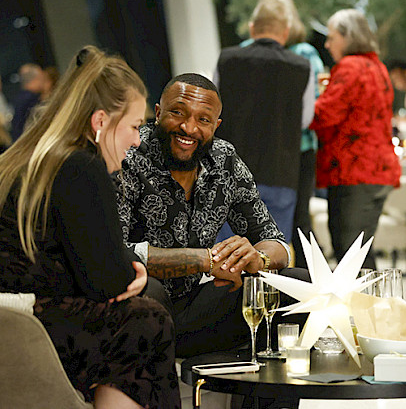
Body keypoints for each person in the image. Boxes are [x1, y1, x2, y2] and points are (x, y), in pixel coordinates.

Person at [0, 46, 180, 408]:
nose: (137, 140)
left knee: (141, 314)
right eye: (134, 125)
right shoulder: (80, 165)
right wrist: (138, 271)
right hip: (29, 329)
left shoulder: (35, 157)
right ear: (100, 121)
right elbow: (108, 282)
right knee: (148, 320)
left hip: (16, 323)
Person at [116, 72, 307, 359]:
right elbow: (116, 253)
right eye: (178, 113)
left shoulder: (223, 159)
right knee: (148, 290)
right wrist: (206, 260)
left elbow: (274, 240)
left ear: (216, 125)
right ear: (157, 113)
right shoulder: (129, 155)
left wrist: (257, 259)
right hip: (140, 311)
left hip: (195, 310)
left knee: (298, 284)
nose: (189, 128)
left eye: (203, 120)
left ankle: (261, 397)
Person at [214, 0, 315, 244]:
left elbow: (213, 111)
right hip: (279, 171)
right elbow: (305, 119)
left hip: (229, 172)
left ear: (251, 28)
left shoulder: (227, 59)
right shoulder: (302, 66)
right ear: (286, 30)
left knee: (226, 257)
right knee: (271, 255)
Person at [239, 0, 325, 267]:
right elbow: (311, 109)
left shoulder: (241, 54)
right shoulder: (304, 56)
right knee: (287, 220)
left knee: (290, 221)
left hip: (265, 150)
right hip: (290, 149)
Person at [309, 9, 401, 268]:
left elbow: (322, 114)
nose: (327, 44)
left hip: (356, 171)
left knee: (351, 256)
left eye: (331, 37)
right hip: (373, 170)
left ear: (349, 37)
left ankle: (367, 308)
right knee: (357, 253)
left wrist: (304, 98)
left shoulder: (350, 67)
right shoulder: (377, 66)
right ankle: (370, 307)